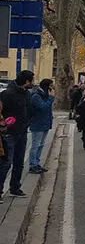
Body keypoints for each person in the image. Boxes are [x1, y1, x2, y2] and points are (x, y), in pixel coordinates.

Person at [0, 70, 33, 199]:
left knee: (19, 162)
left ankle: (15, 187)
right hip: (9, 133)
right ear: (27, 82)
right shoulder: (7, 94)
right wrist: (5, 125)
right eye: (31, 81)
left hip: (22, 131)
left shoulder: (26, 94)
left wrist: (27, 123)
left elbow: (29, 110)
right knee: (6, 163)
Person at [28, 78, 55, 174]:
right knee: (36, 145)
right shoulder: (36, 96)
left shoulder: (45, 95)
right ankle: (32, 164)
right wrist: (51, 98)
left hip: (45, 123)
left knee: (41, 145)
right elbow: (42, 107)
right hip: (37, 123)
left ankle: (37, 162)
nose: (53, 88)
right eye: (51, 86)